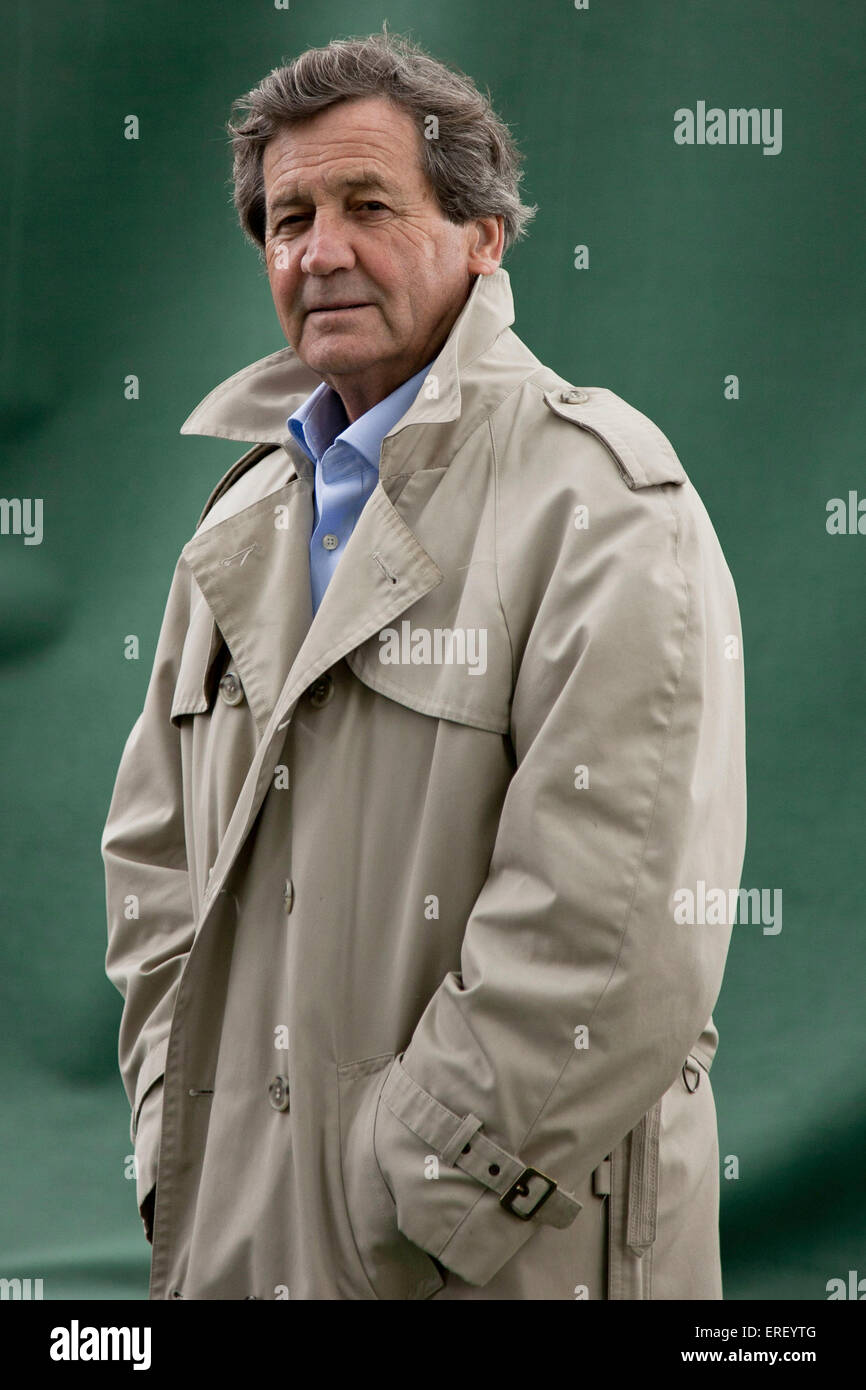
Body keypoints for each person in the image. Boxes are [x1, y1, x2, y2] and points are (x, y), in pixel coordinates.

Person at [102, 29, 746, 1300]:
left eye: (366, 205)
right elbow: (151, 871)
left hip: (492, 1257)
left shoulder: (601, 500)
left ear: (482, 233)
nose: (318, 251)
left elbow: (615, 924)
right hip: (236, 1241)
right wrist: (177, 1134)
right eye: (288, 218)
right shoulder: (233, 530)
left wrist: (414, 1186)